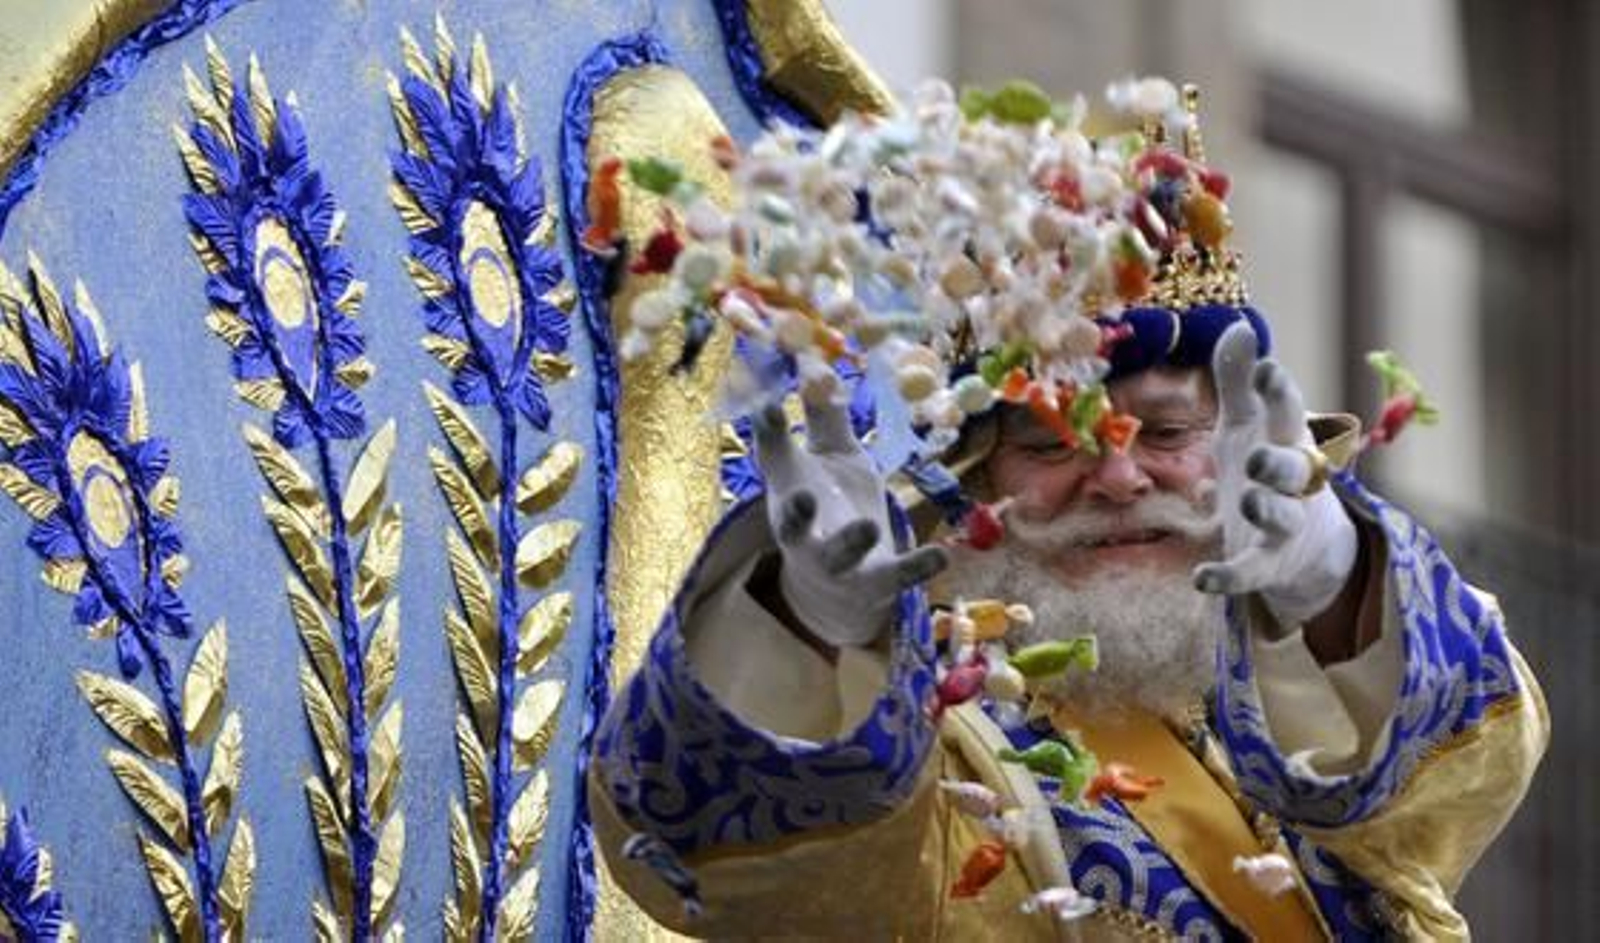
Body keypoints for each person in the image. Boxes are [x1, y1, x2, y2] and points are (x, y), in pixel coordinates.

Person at [587, 117, 1549, 942]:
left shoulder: (1272, 703)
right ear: (977, 480)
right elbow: (734, 873)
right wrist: (805, 631)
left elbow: (1464, 767)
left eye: (1168, 432)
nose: (1120, 476)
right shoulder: (927, 731)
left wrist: (1329, 585)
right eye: (1052, 442)